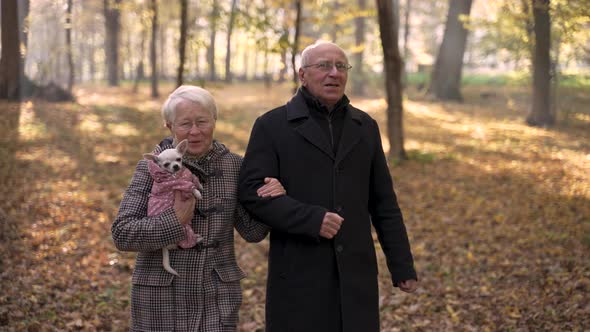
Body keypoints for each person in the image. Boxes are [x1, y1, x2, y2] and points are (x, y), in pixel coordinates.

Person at [238, 41, 418, 332]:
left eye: (341, 66)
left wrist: (401, 265)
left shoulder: (365, 126)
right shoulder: (272, 125)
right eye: (323, 66)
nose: (334, 73)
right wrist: (311, 219)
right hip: (298, 271)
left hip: (356, 275)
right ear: (302, 75)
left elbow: (384, 203)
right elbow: (251, 192)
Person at [112, 85, 285, 331]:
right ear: (169, 126)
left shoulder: (235, 167)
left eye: (202, 121)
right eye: (185, 124)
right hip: (160, 299)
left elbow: (253, 232)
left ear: (214, 120)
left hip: (216, 298)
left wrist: (272, 199)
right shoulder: (150, 168)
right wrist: (175, 221)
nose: (194, 132)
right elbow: (122, 234)